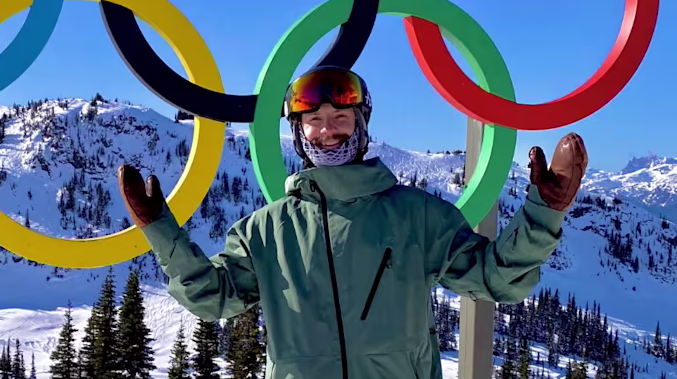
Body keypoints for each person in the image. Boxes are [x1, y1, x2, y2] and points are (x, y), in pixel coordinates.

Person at [118, 65, 587, 379]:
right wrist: (159, 227)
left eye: (340, 117)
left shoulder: (415, 216)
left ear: (361, 124)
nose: (327, 130)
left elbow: (495, 279)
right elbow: (212, 299)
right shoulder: (266, 231)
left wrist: (543, 211)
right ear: (297, 133)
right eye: (314, 121)